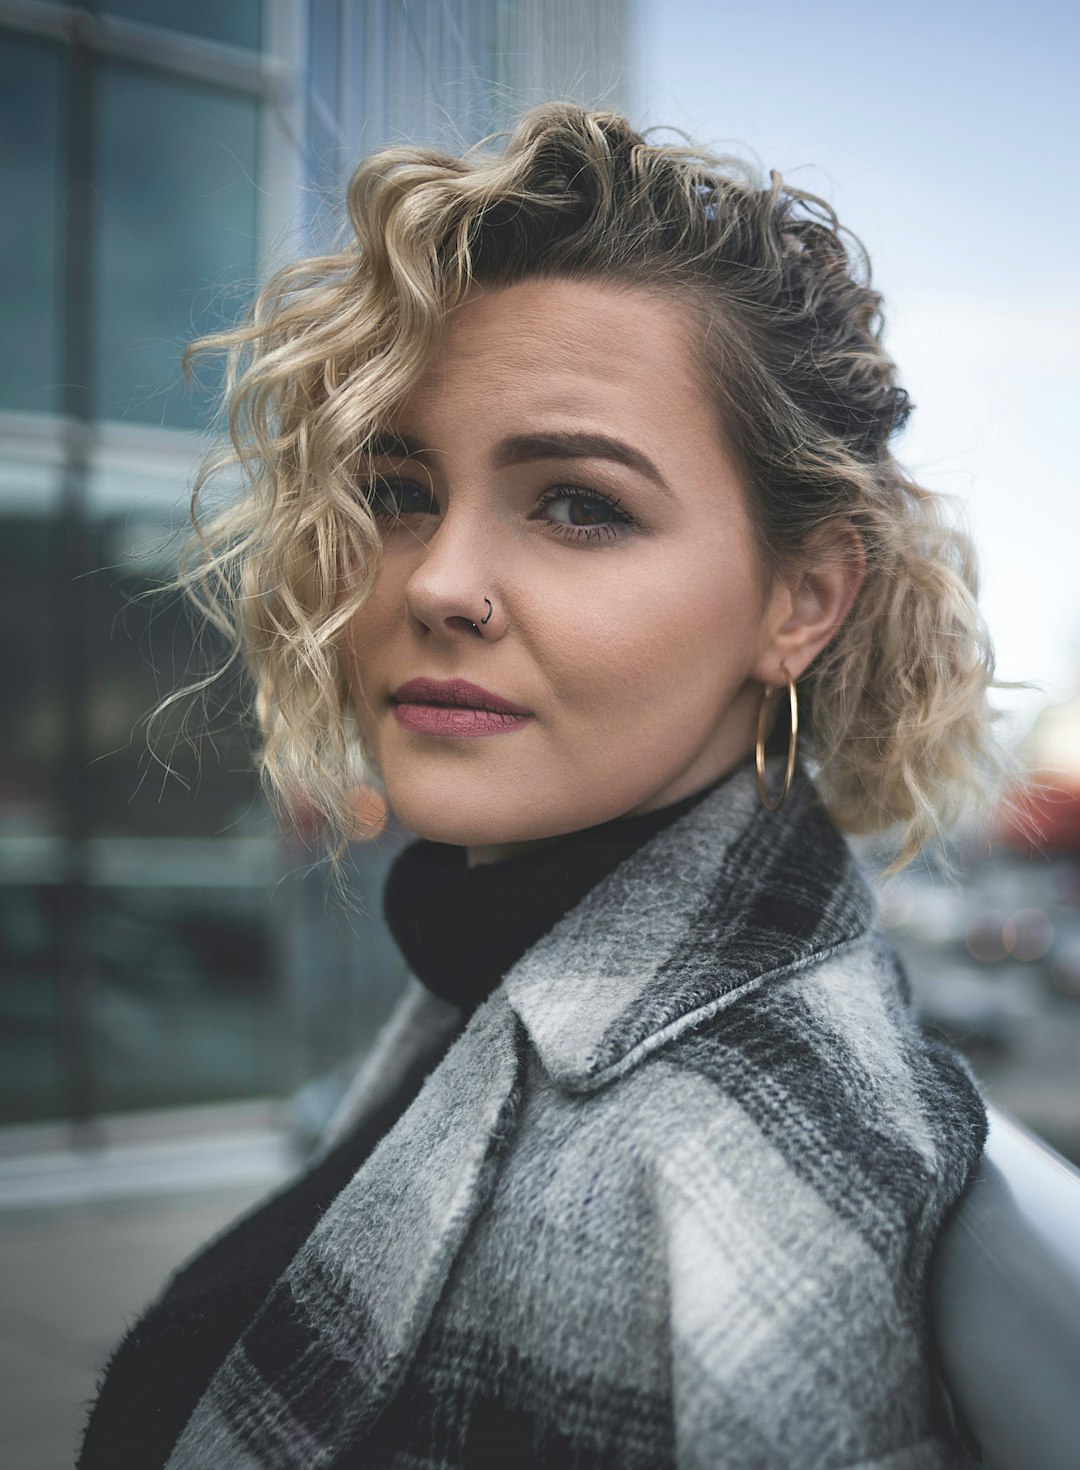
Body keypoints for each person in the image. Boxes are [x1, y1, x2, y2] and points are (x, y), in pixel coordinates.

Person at [79, 103, 1007, 1469]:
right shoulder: (509, 960)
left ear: (801, 599)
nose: (439, 582)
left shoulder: (721, 1176)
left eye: (578, 503)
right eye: (398, 488)